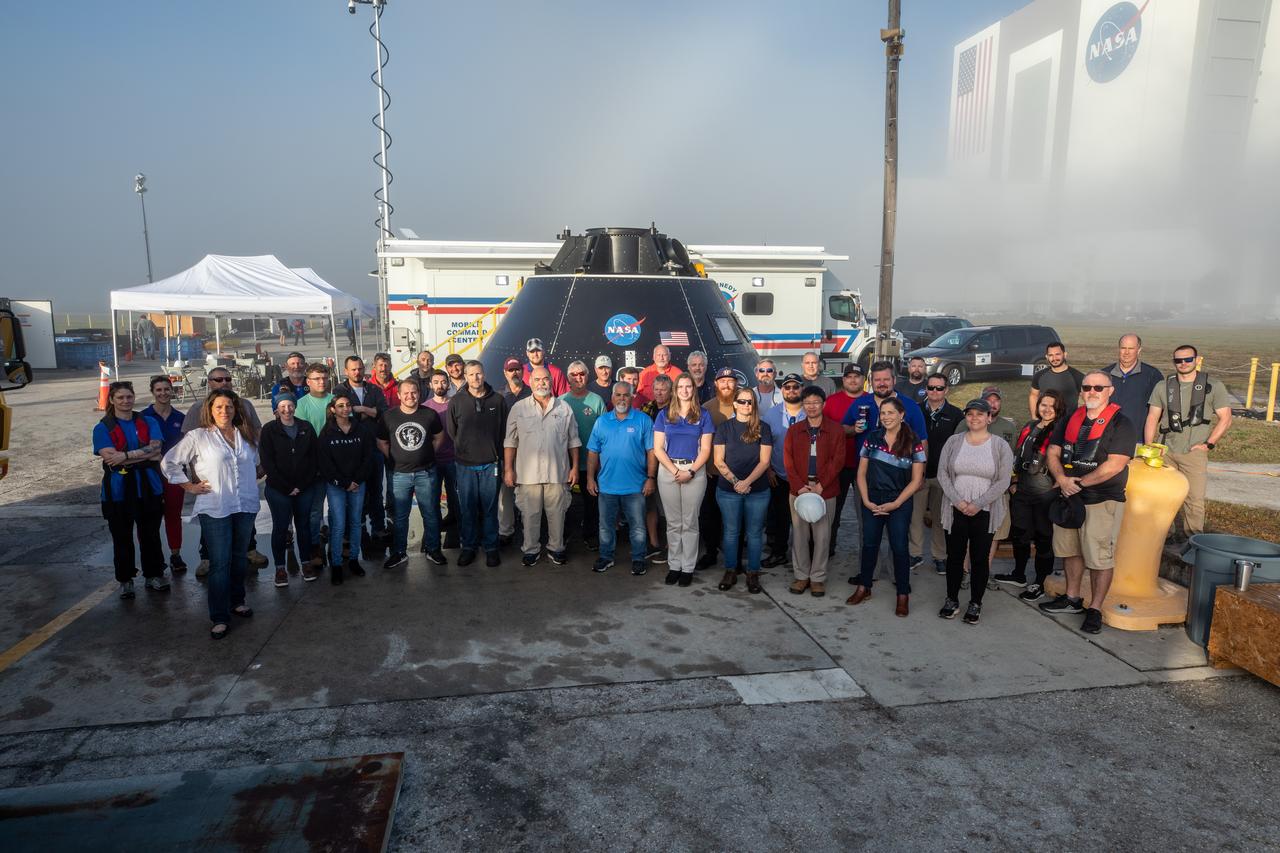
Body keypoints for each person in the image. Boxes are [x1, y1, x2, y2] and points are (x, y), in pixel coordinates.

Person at [1041, 371, 1138, 634]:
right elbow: (1053, 451)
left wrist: (1079, 483)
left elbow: (1115, 465)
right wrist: (1062, 479)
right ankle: (1072, 598)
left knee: (1099, 558)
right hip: (1069, 497)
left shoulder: (1122, 424)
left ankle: (1094, 608)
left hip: (1101, 500)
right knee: (1070, 551)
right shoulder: (1071, 418)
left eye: (1098, 387)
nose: (1092, 392)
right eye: (1087, 387)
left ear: (1110, 390)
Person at [161, 389, 260, 639]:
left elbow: (258, 463)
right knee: (219, 562)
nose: (224, 411)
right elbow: (169, 462)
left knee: (239, 558)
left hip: (245, 505)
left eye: (228, 406)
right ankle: (219, 615)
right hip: (216, 507)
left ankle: (237, 601)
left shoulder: (246, 436)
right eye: (218, 407)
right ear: (210, 410)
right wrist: (188, 485)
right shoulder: (198, 436)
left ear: (236, 409)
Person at [936, 399, 1014, 625]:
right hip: (955, 508)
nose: (975, 418)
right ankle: (951, 599)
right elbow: (943, 474)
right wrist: (958, 501)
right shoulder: (953, 441)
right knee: (955, 557)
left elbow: (1003, 481)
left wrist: (979, 503)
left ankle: (976, 602)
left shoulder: (1000, 446)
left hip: (985, 510)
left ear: (989, 417)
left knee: (980, 559)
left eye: (980, 414)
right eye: (970, 414)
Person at [182, 367, 267, 574]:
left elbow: (257, 432)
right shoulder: (197, 408)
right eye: (218, 379)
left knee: (245, 513)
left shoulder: (244, 405)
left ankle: (250, 549)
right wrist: (193, 478)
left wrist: (260, 462)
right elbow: (188, 443)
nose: (224, 382)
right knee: (213, 517)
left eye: (227, 378)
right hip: (213, 477)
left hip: (242, 471)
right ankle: (207, 557)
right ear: (209, 382)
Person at [1143, 345, 1233, 539]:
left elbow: (1226, 418)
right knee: (1162, 496)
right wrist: (1150, 445)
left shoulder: (1213, 386)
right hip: (1165, 449)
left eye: (1188, 359)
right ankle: (1164, 536)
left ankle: (1194, 540)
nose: (1183, 363)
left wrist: (1208, 444)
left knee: (1194, 500)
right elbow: (1152, 417)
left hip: (1194, 452)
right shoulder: (1163, 386)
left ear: (1197, 359)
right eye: (1178, 360)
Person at [847, 397, 926, 615]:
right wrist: (865, 499)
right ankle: (864, 587)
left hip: (899, 500)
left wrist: (896, 503)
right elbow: (861, 473)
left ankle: (902, 594)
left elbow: (916, 480)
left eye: (891, 413)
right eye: (883, 413)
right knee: (870, 545)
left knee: (899, 547)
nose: (886, 417)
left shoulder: (913, 441)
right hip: (872, 497)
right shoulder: (872, 438)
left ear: (901, 415)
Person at [95, 381, 168, 599]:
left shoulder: (148, 421)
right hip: (117, 491)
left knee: (151, 535)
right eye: (120, 398)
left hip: (149, 487)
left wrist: (126, 455)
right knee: (122, 537)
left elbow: (157, 449)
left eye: (129, 397)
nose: (125, 401)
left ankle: (153, 575)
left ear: (134, 397)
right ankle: (125, 580)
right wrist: (143, 454)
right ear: (112, 400)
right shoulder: (103, 427)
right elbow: (109, 457)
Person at [993, 389, 1065, 601]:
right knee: (1020, 533)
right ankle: (1019, 573)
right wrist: (1014, 482)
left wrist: (1057, 486)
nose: (1047, 409)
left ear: (1059, 408)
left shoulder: (1060, 430)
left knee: (1043, 537)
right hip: (1023, 486)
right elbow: (1017, 455)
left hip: (1045, 489)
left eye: (1052, 406)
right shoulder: (1030, 426)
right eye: (1043, 404)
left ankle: (1040, 582)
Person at [504, 367, 580, 566]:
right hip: (528, 475)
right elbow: (510, 442)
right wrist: (509, 470)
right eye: (537, 379)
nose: (541, 383)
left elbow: (573, 441)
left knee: (557, 515)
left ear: (551, 382)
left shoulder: (564, 408)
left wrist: (574, 468)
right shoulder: (519, 408)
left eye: (545, 379)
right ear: (530, 382)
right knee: (530, 515)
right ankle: (530, 550)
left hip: (558, 473)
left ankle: (556, 549)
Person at [378, 376, 447, 570]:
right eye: (406, 393)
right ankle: (399, 552)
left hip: (426, 472)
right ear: (399, 395)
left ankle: (433, 549)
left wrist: (428, 454)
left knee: (431, 513)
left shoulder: (429, 414)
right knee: (400, 516)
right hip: (399, 474)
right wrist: (394, 458)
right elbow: (382, 441)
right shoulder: (389, 416)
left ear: (419, 394)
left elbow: (439, 436)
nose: (410, 396)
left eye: (414, 392)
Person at [586, 382, 656, 576]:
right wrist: (590, 479)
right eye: (618, 395)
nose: (622, 399)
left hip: (635, 486)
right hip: (607, 486)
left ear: (632, 398)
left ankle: (638, 559)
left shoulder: (643, 420)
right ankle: (606, 557)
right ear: (612, 397)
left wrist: (651, 477)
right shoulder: (602, 421)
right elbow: (593, 452)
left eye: (626, 395)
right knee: (606, 526)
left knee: (638, 527)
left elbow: (652, 452)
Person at [447, 360, 510, 567]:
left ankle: (491, 548)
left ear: (484, 374)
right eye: (472, 374)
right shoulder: (456, 401)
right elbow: (452, 431)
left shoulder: (498, 401)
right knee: (468, 509)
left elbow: (504, 434)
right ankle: (469, 548)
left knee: (490, 509)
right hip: (465, 466)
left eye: (479, 374)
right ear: (465, 376)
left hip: (490, 464)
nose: (476, 378)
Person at [653, 373, 714, 585]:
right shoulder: (664, 415)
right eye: (681, 387)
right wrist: (674, 471)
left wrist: (690, 472)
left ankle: (688, 567)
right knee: (673, 522)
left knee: (689, 522)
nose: (685, 390)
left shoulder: (704, 415)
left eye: (688, 387)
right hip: (668, 470)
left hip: (694, 472)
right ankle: (674, 565)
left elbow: (705, 450)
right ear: (675, 390)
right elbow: (658, 449)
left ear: (693, 390)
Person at [783, 385, 844, 597]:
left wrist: (821, 485)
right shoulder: (794, 430)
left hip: (824, 491)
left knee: (822, 536)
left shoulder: (835, 430)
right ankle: (801, 576)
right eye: (807, 403)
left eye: (815, 402)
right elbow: (788, 462)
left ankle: (817, 577)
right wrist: (799, 485)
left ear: (823, 404)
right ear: (803, 405)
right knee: (799, 534)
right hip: (798, 489)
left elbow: (838, 461)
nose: (811, 406)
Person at [713, 387, 774, 594]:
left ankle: (753, 573)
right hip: (728, 491)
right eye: (743, 401)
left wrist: (746, 482)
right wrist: (735, 481)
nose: (746, 405)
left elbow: (765, 461)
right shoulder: (724, 428)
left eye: (750, 402)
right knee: (731, 532)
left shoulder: (763, 428)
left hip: (757, 491)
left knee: (755, 533)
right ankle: (731, 570)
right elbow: (718, 460)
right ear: (735, 403)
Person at [259, 393, 318, 586]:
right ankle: (280, 568)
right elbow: (267, 462)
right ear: (276, 409)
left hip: (304, 488)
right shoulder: (269, 430)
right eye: (282, 406)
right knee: (280, 528)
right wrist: (286, 487)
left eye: (290, 405)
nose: (287, 410)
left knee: (304, 527)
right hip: (278, 490)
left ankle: (306, 563)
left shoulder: (305, 427)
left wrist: (301, 485)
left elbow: (314, 459)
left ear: (295, 407)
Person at [335, 355, 389, 551]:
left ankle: (378, 527)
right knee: (355, 491)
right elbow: (344, 413)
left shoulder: (374, 389)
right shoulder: (340, 391)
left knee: (376, 491)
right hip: (350, 450)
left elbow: (384, 412)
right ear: (346, 371)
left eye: (360, 368)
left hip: (373, 448)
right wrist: (365, 412)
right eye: (353, 369)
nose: (357, 372)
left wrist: (363, 409)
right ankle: (356, 528)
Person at [910, 375, 963, 574]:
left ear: (946, 390)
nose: (934, 392)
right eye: (931, 388)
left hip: (943, 476)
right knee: (915, 516)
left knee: (940, 520)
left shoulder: (956, 414)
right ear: (926, 389)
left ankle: (939, 556)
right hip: (918, 473)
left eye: (939, 388)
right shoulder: (914, 410)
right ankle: (914, 554)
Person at [317, 395, 373, 584]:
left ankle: (354, 560)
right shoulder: (326, 433)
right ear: (333, 409)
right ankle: (337, 564)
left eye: (348, 405)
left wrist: (356, 480)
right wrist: (343, 483)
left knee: (356, 522)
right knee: (339, 524)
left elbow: (368, 457)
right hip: (336, 486)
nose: (345, 408)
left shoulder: (361, 430)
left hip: (358, 484)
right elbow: (325, 464)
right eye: (340, 406)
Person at [141, 375, 188, 573]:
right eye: (159, 390)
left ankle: (175, 555)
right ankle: (154, 559)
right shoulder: (143, 417)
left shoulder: (180, 418)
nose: (163, 393)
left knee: (173, 515)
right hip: (150, 473)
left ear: (173, 391)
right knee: (149, 518)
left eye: (167, 389)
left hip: (175, 474)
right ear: (153, 392)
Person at [695, 367, 741, 569]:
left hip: (738, 474)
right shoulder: (706, 408)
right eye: (722, 381)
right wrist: (702, 465)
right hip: (713, 473)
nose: (726, 384)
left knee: (737, 519)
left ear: (736, 383)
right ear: (715, 383)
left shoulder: (745, 405)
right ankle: (711, 552)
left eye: (730, 381)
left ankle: (735, 558)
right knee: (709, 516)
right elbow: (697, 440)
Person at [761, 373, 805, 568]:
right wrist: (768, 469)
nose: (792, 390)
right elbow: (765, 444)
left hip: (804, 477)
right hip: (778, 474)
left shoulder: (810, 412)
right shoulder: (771, 414)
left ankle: (803, 556)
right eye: (787, 387)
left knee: (804, 518)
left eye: (796, 387)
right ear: (783, 390)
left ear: (802, 389)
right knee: (780, 517)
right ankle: (779, 552)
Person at [562, 360, 606, 549]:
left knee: (592, 503)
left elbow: (606, 433)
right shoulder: (561, 402)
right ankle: (564, 536)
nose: (578, 377)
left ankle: (591, 535)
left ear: (587, 376)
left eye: (582, 374)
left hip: (592, 464)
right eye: (574, 374)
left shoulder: (597, 401)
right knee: (564, 504)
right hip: (567, 464)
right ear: (568, 377)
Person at [823, 363, 865, 556]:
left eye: (857, 376)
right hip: (837, 465)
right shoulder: (831, 402)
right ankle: (827, 549)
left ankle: (866, 553)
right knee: (832, 512)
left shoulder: (872, 400)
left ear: (864, 379)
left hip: (865, 466)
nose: (853, 380)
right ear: (843, 379)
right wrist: (847, 430)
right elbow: (824, 432)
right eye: (849, 376)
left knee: (865, 513)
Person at [295, 362, 334, 570]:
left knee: (338, 509)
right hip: (315, 469)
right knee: (315, 512)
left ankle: (339, 545)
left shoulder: (336, 401)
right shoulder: (301, 405)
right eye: (317, 379)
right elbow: (301, 439)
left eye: (324, 378)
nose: (321, 382)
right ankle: (314, 547)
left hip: (336, 467)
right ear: (308, 382)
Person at [639, 374, 675, 561]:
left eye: (663, 389)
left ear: (670, 391)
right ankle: (653, 544)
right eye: (657, 389)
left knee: (669, 508)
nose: (659, 393)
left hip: (669, 465)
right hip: (647, 465)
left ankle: (671, 546)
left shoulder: (675, 410)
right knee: (650, 506)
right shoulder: (647, 408)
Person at [424, 370, 460, 551]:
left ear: (449, 384)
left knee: (456, 499)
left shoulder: (456, 404)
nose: (440, 385)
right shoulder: (425, 408)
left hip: (454, 459)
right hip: (433, 461)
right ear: (431, 384)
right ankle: (433, 537)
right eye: (436, 382)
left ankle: (459, 535)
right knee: (433, 499)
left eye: (443, 382)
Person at [1102, 334, 1162, 432]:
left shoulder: (1152, 375)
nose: (1126, 352)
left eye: (1131, 348)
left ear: (1139, 350)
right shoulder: (1104, 374)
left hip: (1137, 438)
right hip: (1106, 437)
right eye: (1123, 348)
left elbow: (1159, 408)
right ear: (1118, 349)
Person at [1029, 341, 1084, 415]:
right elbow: (1033, 395)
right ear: (1047, 357)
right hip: (1046, 420)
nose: (1054, 358)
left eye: (1057, 354)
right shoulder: (1039, 375)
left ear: (1064, 355)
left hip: (1068, 423)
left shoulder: (1077, 376)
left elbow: (1087, 399)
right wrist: (1034, 417)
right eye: (1051, 355)